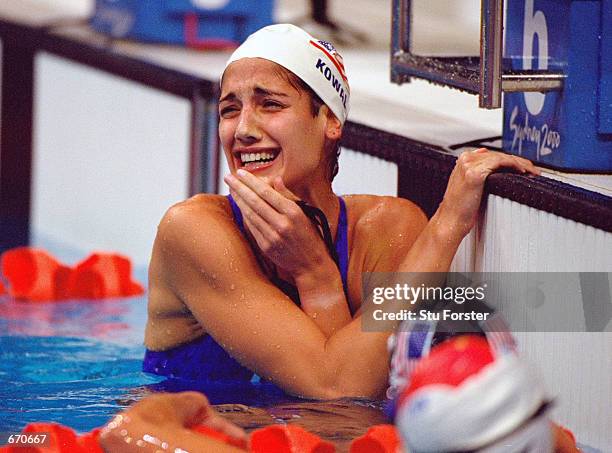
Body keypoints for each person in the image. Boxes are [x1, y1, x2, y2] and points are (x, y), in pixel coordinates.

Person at [142, 23, 539, 400]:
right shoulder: (195, 232)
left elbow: (354, 398)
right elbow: (338, 388)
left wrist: (319, 276)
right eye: (229, 110)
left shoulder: (386, 230)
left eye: (270, 104)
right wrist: (446, 227)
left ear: (330, 119)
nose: (243, 128)